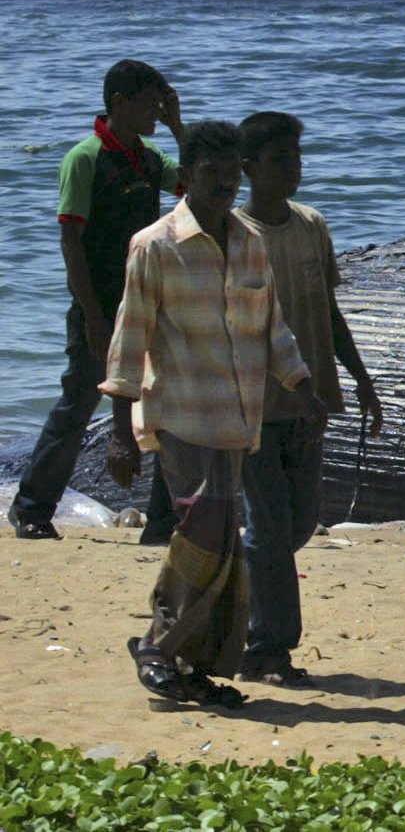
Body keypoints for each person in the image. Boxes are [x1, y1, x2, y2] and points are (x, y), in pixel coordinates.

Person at [100, 120, 323, 707]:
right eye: (211, 174)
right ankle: (156, 643)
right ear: (186, 177)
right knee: (204, 528)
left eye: (230, 174)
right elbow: (128, 343)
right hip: (180, 415)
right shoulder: (155, 245)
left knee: (223, 545)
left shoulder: (250, 243)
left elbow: (271, 328)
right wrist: (120, 435)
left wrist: (301, 385)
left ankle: (190, 666)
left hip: (238, 419)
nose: (225, 184)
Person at [234, 111, 383, 686]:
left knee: (299, 524)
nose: (293, 170)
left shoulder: (311, 226)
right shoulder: (235, 234)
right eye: (280, 162)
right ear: (248, 169)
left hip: (311, 399)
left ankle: (246, 613)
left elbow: (328, 309)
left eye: (297, 159)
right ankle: (267, 650)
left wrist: (360, 379)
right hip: (254, 401)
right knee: (270, 529)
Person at [8, 60, 184, 542]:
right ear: (118, 104)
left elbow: (195, 187)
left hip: (148, 299)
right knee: (80, 403)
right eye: (150, 103)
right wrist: (91, 315)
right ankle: (31, 508)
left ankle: (165, 519)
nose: (155, 110)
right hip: (99, 304)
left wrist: (178, 126)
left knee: (162, 401)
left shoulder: (149, 159)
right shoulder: (84, 159)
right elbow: (71, 242)